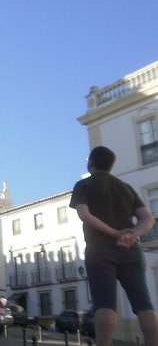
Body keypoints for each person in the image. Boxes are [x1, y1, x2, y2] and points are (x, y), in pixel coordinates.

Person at [70, 146, 158, 346]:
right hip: (131, 250)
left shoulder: (83, 185)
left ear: (91, 162)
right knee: (144, 304)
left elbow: (85, 215)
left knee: (105, 304)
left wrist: (115, 233)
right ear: (111, 165)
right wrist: (131, 234)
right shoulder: (126, 187)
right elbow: (148, 218)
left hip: (99, 249)